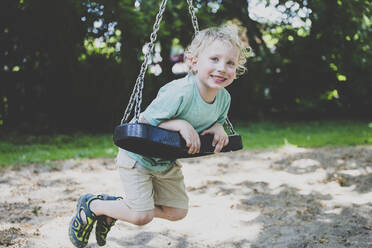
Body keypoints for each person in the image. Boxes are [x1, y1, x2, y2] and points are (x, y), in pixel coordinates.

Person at [68, 23, 250, 248]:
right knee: (140, 216)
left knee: (177, 211)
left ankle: (115, 210)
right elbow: (145, 122)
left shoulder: (224, 99)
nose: (222, 68)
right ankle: (94, 205)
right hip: (138, 156)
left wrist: (219, 128)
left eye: (230, 63)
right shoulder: (180, 92)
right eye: (214, 59)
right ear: (194, 62)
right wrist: (179, 123)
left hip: (165, 160)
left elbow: (215, 123)